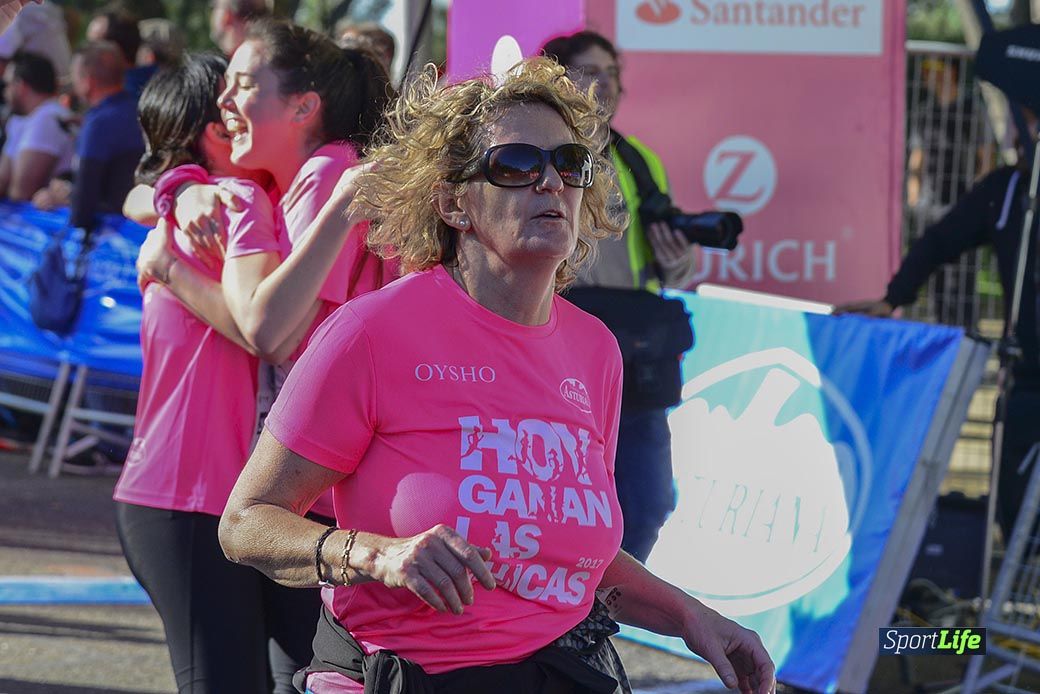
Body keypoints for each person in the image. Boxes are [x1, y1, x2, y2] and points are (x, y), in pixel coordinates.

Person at [218, 57, 775, 694]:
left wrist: (692, 618)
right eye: (515, 165)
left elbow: (570, 556)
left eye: (570, 163)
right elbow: (245, 522)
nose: (551, 182)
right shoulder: (370, 333)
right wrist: (375, 554)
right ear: (454, 202)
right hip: (404, 677)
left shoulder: (595, 350)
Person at [114, 53, 328, 694]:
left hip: (244, 500)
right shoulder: (228, 204)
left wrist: (173, 192)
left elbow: (142, 190)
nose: (243, 112)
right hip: (190, 500)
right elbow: (268, 335)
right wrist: (177, 202)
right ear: (215, 130)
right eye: (232, 104)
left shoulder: (237, 200)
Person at [837, 113, 1039, 544]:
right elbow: (939, 240)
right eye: (1023, 123)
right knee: (1015, 502)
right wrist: (894, 296)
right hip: (1027, 377)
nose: (1023, 134)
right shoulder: (1005, 192)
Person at [542, 30, 696, 563]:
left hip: (635, 354)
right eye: (589, 71)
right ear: (556, 77)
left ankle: (602, 602)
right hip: (558, 348)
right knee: (563, 499)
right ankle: (567, 603)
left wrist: (677, 256)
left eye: (611, 73)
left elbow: (668, 263)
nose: (603, 84)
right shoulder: (535, 153)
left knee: (648, 502)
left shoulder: (639, 159)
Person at [67, 41, 143, 233]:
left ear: (87, 81)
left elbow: (81, 209)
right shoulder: (141, 111)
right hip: (142, 225)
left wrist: (65, 197)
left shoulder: (98, 123)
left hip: (108, 235)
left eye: (74, 77)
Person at [0, 50, 73, 200]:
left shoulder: (48, 117)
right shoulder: (24, 119)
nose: (4, 92)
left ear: (20, 86)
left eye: (7, 84)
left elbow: (20, 192)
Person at [85, 5, 155, 98]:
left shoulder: (118, 96)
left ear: (109, 54)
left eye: (92, 46)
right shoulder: (159, 81)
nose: (85, 54)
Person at [0, 0, 70, 83]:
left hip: (46, 81)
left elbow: (3, 57)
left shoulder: (24, 11)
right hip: (64, 76)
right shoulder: (44, 7)